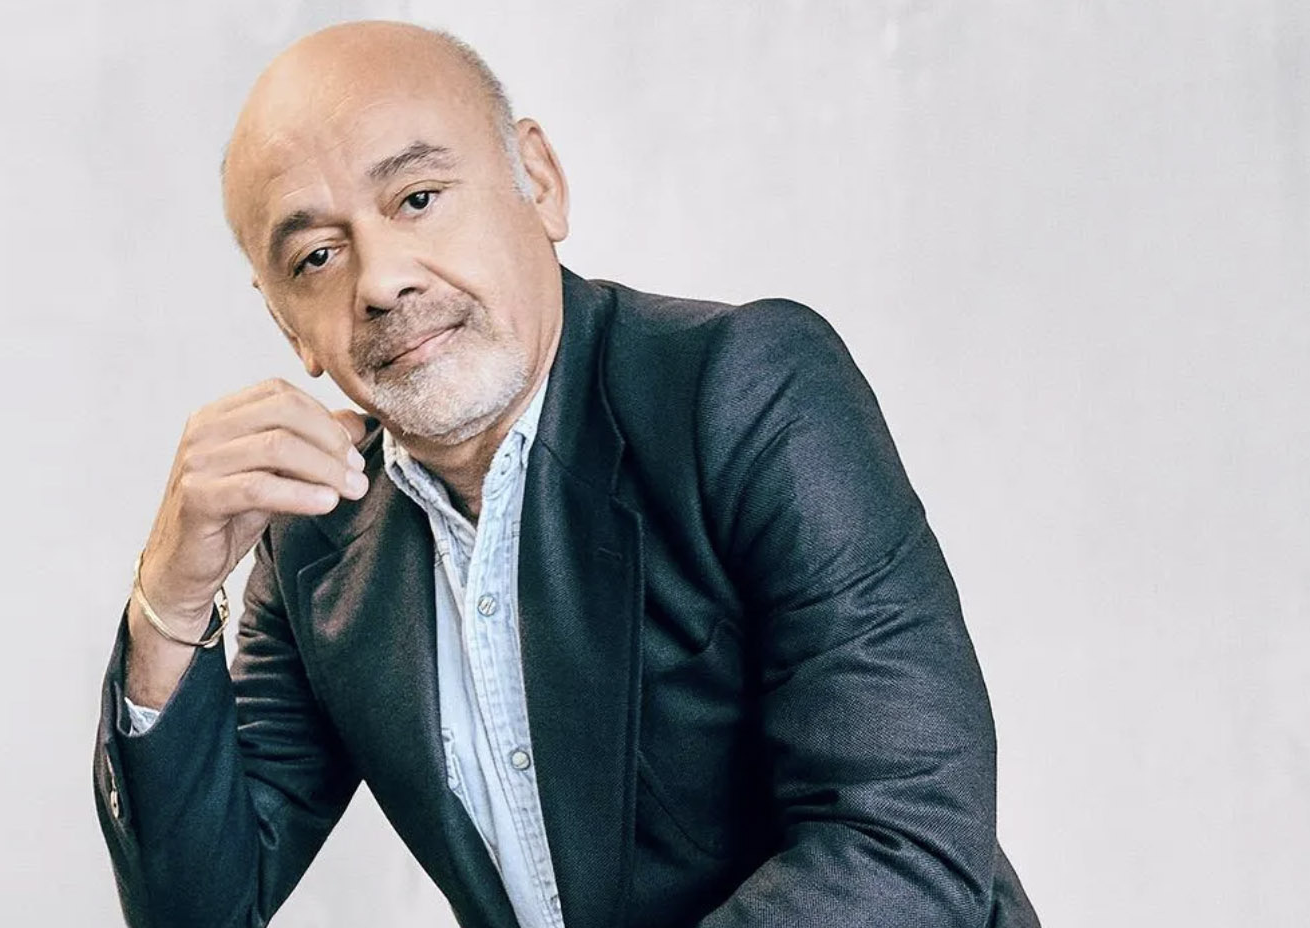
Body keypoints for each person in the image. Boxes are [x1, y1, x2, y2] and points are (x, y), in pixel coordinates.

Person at [91, 19, 1040, 928]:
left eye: (417, 199)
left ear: (538, 183)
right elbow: (199, 911)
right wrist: (169, 599)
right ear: (287, 324)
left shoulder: (743, 389)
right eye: (317, 256)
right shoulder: (317, 534)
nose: (379, 281)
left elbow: (901, 839)